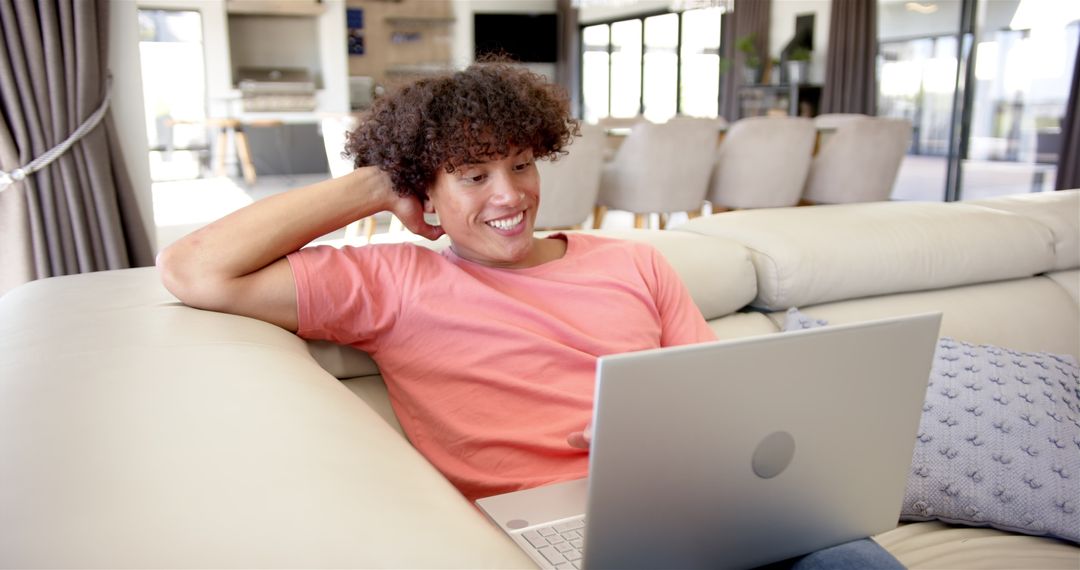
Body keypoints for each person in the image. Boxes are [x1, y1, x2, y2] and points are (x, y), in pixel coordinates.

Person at [158, 61, 901, 569]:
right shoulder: (388, 283)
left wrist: (666, 434)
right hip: (552, 533)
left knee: (852, 555)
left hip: (699, 503)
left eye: (520, 164)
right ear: (426, 193)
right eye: (473, 176)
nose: (509, 196)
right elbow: (195, 270)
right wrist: (378, 185)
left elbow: (723, 395)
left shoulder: (632, 261)